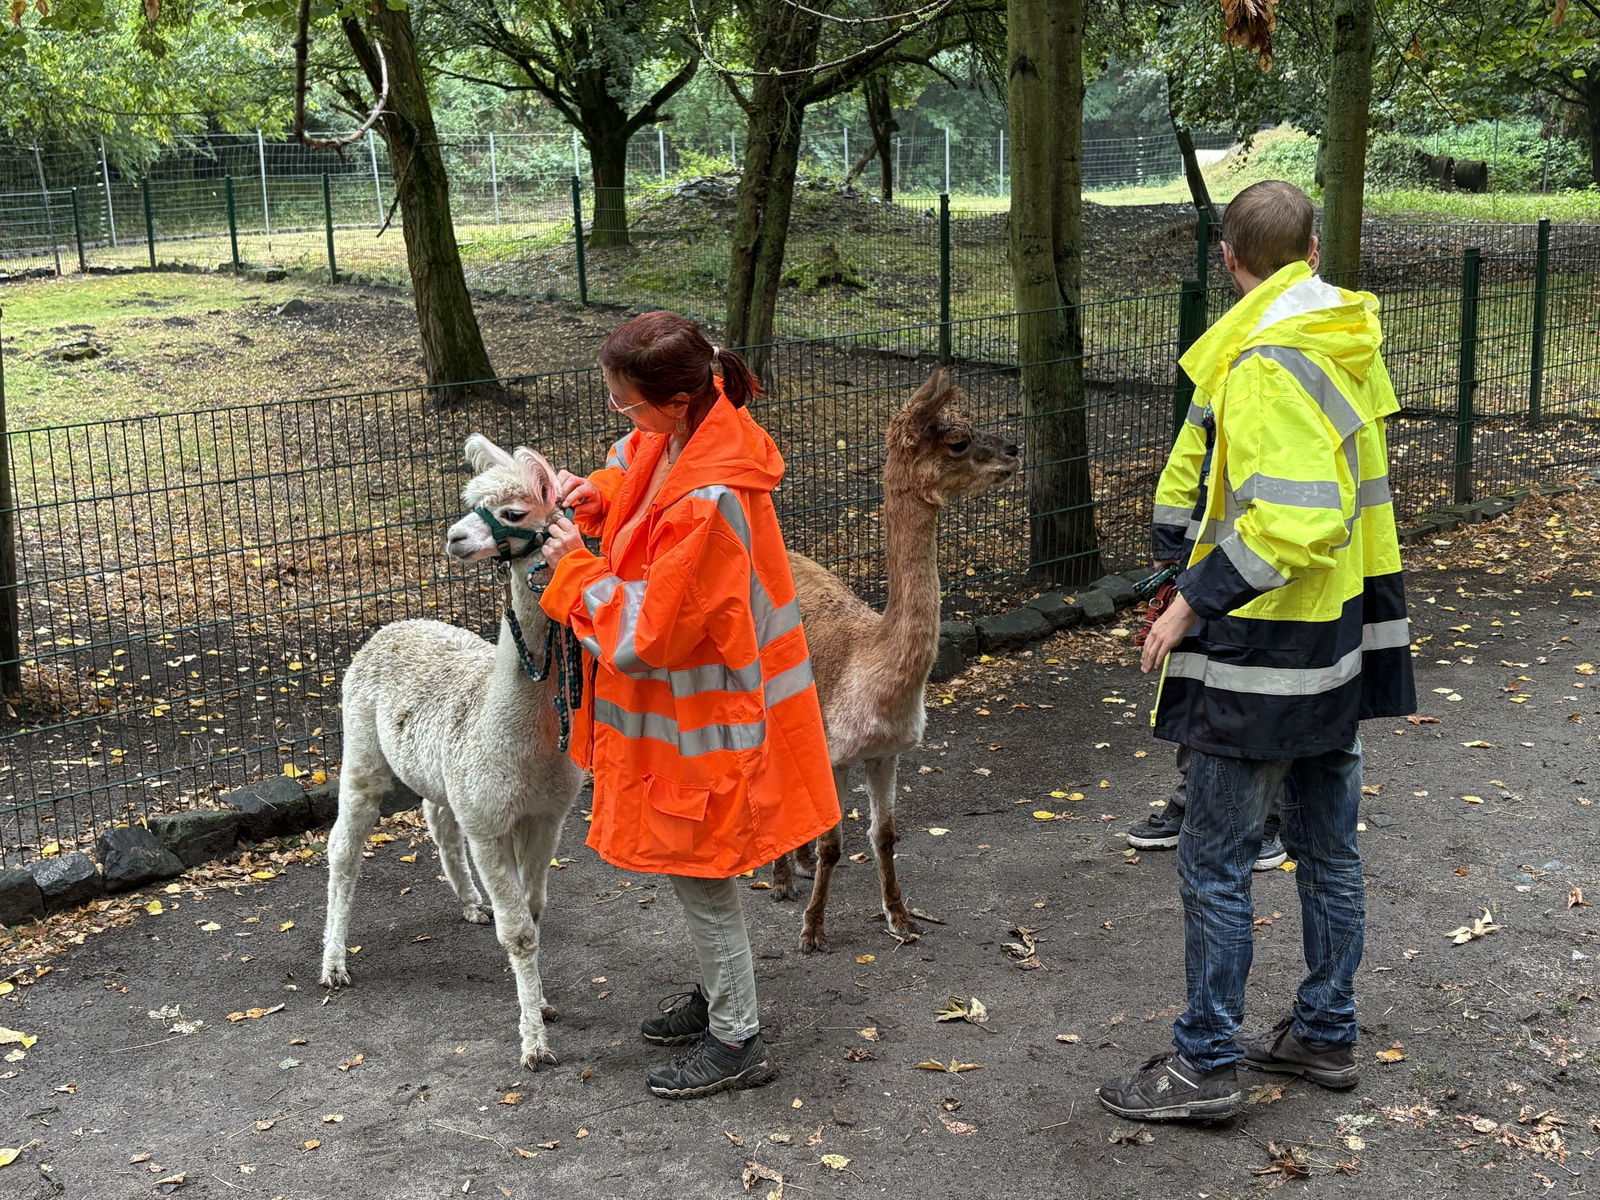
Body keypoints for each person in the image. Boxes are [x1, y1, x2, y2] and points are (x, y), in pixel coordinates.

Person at [1097, 181, 1416, 1121]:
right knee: (1326, 850)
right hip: (1337, 640)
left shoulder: (1269, 359)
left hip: (1264, 653)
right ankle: (1325, 1030)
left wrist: (1192, 600)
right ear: (1312, 251)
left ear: (1229, 259)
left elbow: (1295, 516)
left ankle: (1204, 1064)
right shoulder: (1339, 340)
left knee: (1217, 862)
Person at [536, 312, 839, 1099]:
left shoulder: (710, 498)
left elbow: (640, 635)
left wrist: (571, 569)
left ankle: (737, 1038)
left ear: (673, 401)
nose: (620, 418)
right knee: (696, 870)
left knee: (702, 874)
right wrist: (592, 497)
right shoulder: (688, 434)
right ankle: (719, 994)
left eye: (625, 404)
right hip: (693, 716)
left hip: (707, 724)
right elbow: (630, 469)